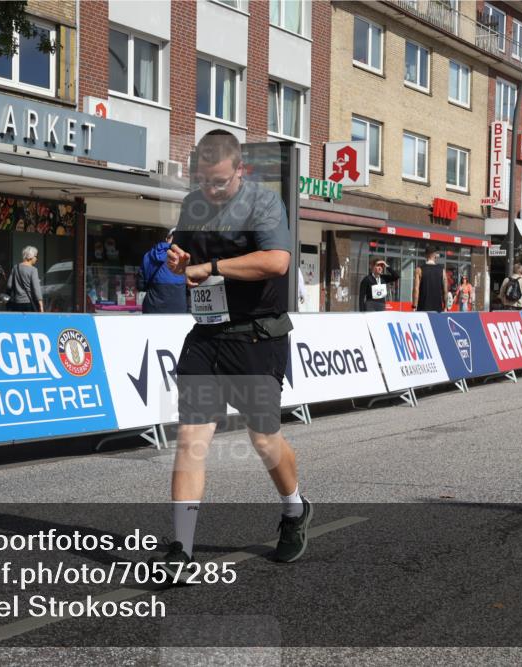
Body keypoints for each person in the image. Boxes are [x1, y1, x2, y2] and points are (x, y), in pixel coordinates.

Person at [155, 130, 312, 576]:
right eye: (205, 181)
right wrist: (179, 261)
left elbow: (277, 262)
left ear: (240, 170)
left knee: (263, 439)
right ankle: (181, 550)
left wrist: (212, 267)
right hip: (207, 334)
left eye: (220, 181)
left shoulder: (263, 203)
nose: (212, 190)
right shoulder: (193, 204)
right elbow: (183, 254)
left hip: (257, 334)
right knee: (191, 438)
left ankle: (294, 509)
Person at [140, 228, 187, 314]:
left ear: (167, 238)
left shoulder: (149, 255)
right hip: (179, 305)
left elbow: (140, 284)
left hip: (153, 305)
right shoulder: (185, 257)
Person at [6, 246, 44, 312]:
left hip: (16, 303)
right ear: (31, 257)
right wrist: (41, 305)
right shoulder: (33, 270)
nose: (36, 259)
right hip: (29, 302)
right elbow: (36, 289)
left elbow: (9, 285)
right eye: (36, 256)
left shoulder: (15, 268)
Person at [412, 246, 447, 312]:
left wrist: (414, 305)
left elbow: (416, 289)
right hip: (438, 309)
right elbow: (445, 290)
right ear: (435, 256)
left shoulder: (419, 270)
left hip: (423, 308)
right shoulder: (442, 270)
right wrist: (445, 307)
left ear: (425, 255)